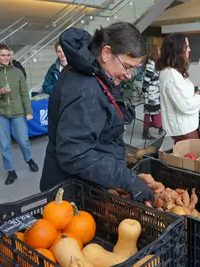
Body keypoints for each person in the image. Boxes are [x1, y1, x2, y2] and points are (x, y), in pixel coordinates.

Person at [40, 23, 154, 205]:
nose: (129, 75)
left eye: (133, 69)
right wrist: (127, 180)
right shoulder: (86, 88)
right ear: (106, 53)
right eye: (127, 66)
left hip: (82, 182)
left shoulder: (93, 74)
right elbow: (75, 153)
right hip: (70, 193)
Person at [0, 44, 38, 185]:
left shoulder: (17, 72)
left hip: (18, 112)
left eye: (8, 55)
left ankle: (28, 159)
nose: (7, 58)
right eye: (3, 55)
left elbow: (24, 93)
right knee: (4, 143)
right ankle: (11, 171)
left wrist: (28, 111)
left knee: (23, 140)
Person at [156, 33, 200, 144]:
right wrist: (199, 97)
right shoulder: (171, 74)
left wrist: (196, 94)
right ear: (177, 49)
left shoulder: (173, 72)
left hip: (186, 127)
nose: (189, 49)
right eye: (186, 46)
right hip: (185, 129)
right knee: (190, 158)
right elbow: (185, 105)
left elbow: (181, 97)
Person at [142, 44, 162, 140]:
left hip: (154, 93)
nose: (159, 52)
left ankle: (148, 130)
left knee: (150, 112)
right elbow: (147, 78)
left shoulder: (153, 62)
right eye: (157, 50)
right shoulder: (151, 63)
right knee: (149, 112)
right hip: (151, 94)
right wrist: (144, 89)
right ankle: (146, 131)